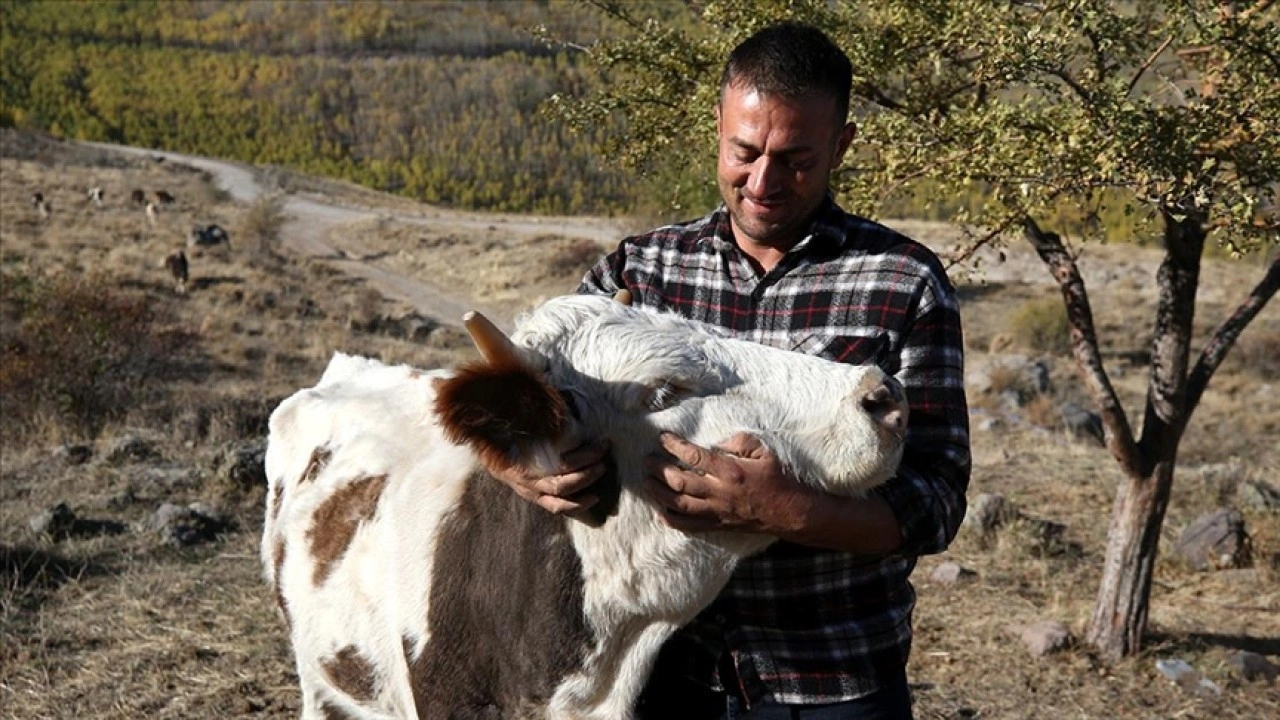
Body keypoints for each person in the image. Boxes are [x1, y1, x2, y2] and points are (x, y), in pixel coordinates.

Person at [490, 21, 969, 720]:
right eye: (743, 151)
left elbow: (937, 499)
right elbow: (528, 405)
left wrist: (783, 510)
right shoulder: (639, 272)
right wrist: (526, 470)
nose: (764, 182)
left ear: (842, 145)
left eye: (797, 158)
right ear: (716, 125)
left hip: (831, 678)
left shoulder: (904, 283)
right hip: (656, 668)